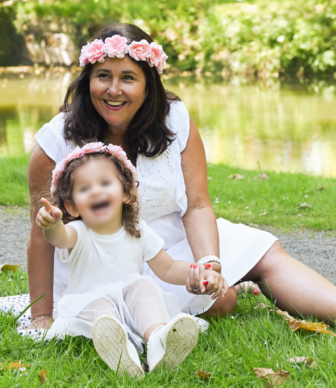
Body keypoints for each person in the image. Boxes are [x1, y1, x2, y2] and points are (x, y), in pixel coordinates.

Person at [0, 23, 336, 351]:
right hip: (101, 261)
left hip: (167, 241)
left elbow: (196, 205)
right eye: (103, 76)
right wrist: (43, 316)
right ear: (87, 79)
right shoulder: (58, 138)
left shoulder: (174, 120)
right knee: (226, 300)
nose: (113, 90)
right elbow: (40, 234)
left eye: (128, 78)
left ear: (148, 83)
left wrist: (210, 262)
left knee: (265, 252)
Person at [32, 142, 229, 378]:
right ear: (72, 207)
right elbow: (59, 238)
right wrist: (52, 224)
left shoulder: (138, 231)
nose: (96, 192)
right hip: (90, 308)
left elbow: (169, 268)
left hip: (130, 308)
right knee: (101, 309)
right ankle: (119, 348)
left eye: (105, 183)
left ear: (125, 193)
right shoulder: (78, 232)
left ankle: (158, 339)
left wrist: (200, 272)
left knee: (144, 286)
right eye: (84, 189)